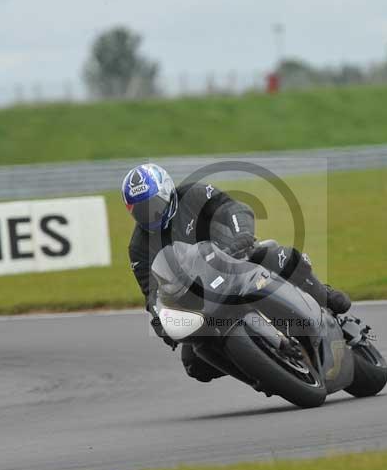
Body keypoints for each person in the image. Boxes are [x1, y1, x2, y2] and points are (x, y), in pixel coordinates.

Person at [122, 163, 351, 382]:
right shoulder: (139, 247)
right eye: (141, 211)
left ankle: (324, 295)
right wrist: (160, 321)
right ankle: (261, 376)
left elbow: (233, 208)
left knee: (281, 258)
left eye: (154, 205)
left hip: (239, 258)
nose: (150, 215)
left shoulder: (194, 195)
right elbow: (152, 292)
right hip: (202, 296)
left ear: (167, 192)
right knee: (194, 363)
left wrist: (242, 234)